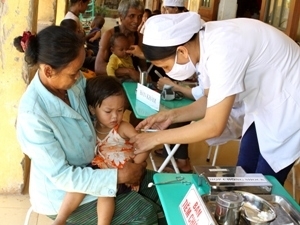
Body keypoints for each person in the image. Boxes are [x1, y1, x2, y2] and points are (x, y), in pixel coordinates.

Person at [15, 25, 165, 225]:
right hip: (66, 193)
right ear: (48, 71)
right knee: (144, 214)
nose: (79, 77)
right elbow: (63, 176)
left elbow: (100, 102)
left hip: (102, 164)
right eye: (73, 73)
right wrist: (117, 176)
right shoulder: (32, 115)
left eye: (80, 70)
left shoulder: (73, 84)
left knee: (163, 190)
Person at [130, 12, 300, 185]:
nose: (167, 72)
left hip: (290, 105)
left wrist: (155, 138)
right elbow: (209, 99)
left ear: (181, 50)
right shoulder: (204, 44)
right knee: (245, 171)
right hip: (265, 104)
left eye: (166, 66)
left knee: (264, 181)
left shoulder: (223, 49)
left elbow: (213, 125)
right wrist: (172, 115)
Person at [53, 76, 150, 225]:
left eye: (120, 110)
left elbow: (144, 144)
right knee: (80, 185)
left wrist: (135, 164)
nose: (115, 116)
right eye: (108, 111)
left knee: (104, 192)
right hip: (100, 170)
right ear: (92, 109)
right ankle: (60, 219)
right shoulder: (89, 128)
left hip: (122, 174)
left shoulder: (123, 128)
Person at [94, 0, 147, 78]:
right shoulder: (109, 35)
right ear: (121, 16)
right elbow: (99, 68)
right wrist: (128, 72)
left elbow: (143, 68)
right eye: (132, 16)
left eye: (139, 17)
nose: (136, 21)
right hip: (111, 83)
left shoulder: (140, 38)